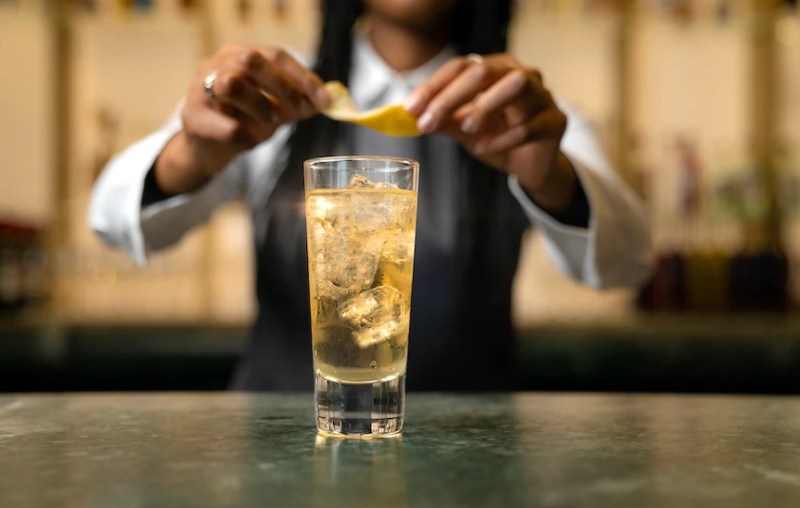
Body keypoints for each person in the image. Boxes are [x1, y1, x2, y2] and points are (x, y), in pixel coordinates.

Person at [89, 0, 652, 391]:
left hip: (471, 462)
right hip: (279, 453)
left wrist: (548, 173)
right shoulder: (271, 92)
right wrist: (192, 151)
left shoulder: (527, 113)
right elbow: (111, 222)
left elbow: (626, 262)